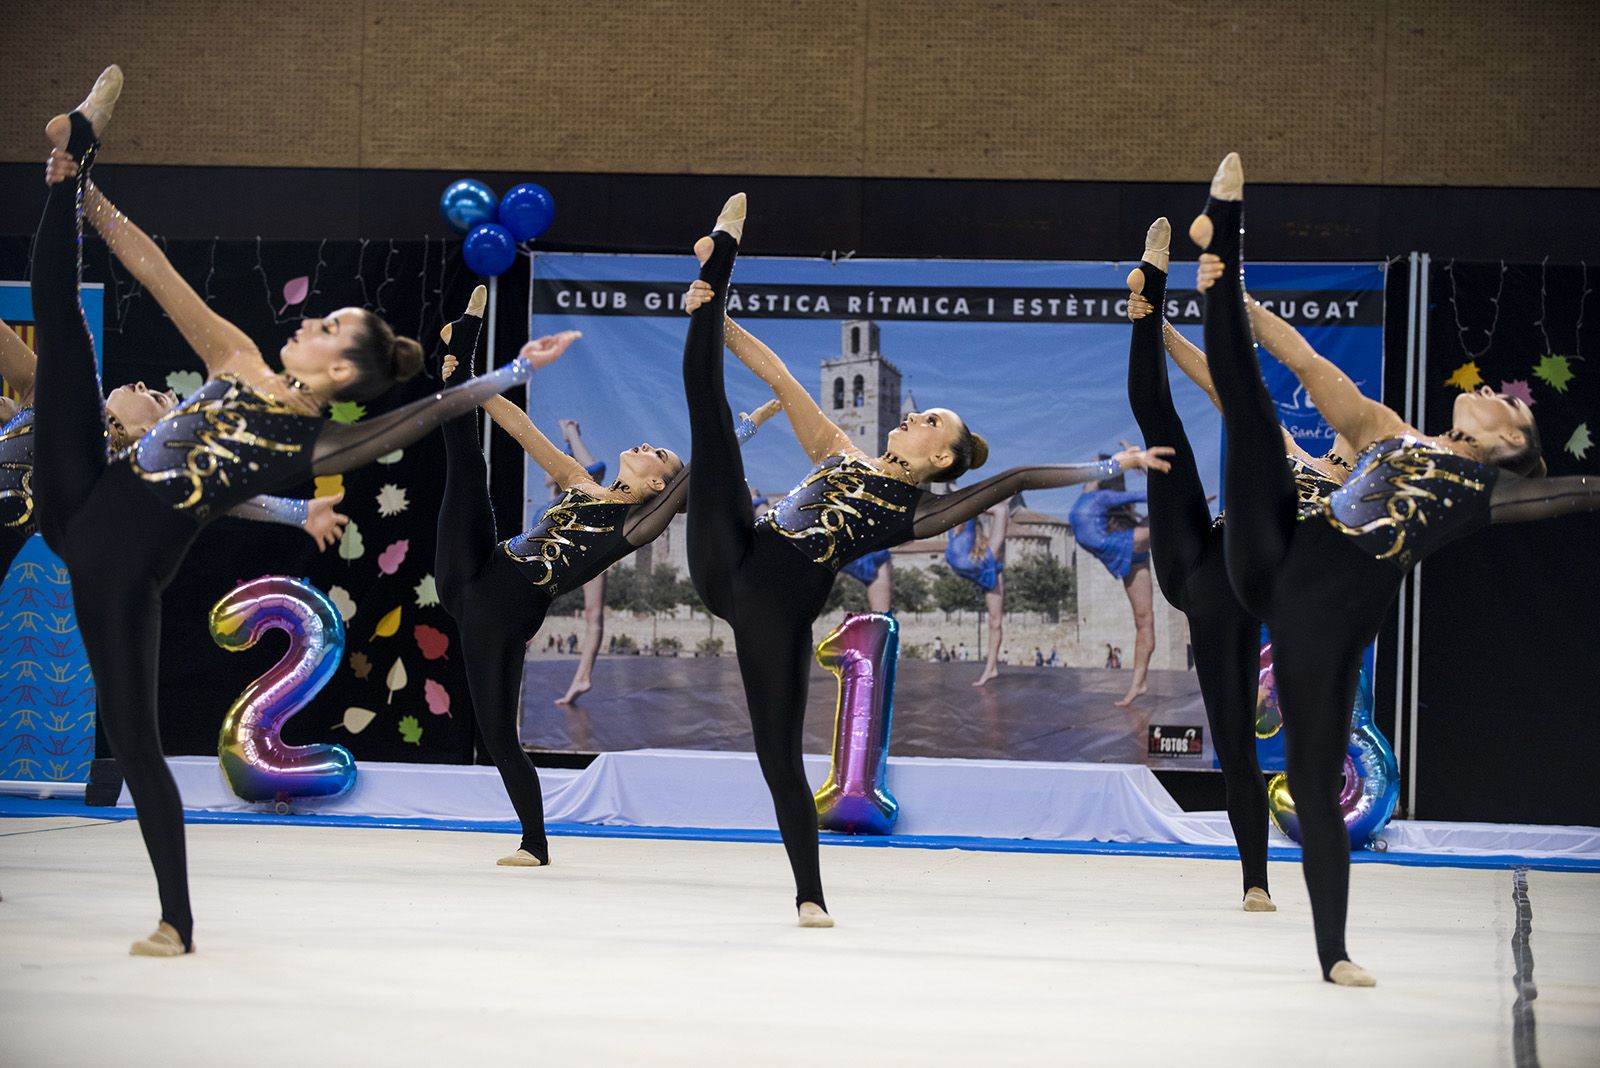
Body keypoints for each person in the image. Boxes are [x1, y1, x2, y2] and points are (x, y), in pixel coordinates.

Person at [32, 68, 539, 957]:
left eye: (325, 327)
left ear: (340, 373)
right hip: (81, 497)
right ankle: (77, 152)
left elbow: (416, 417)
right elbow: (153, 270)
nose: (304, 325)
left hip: (118, 570)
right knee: (61, 329)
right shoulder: (234, 360)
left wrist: (501, 377)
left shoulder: (305, 446)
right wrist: (86, 198)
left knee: (138, 742)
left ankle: (175, 920)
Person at [679, 194, 1173, 926]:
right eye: (918, 413)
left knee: (777, 755)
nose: (912, 418)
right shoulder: (839, 452)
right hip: (731, 551)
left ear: (938, 456)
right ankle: (718, 267)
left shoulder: (920, 510)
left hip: (772, 609)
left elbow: (1016, 480)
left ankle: (809, 893)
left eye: (928, 422)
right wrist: (720, 324)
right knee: (712, 417)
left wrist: (1112, 463)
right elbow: (782, 378)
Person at [1190, 152, 1598, 986]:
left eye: (1507, 404)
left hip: (1328, 614)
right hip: (1277, 549)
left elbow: (1571, 495)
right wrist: (1243, 305)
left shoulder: (1478, 488)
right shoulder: (1388, 431)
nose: (1491, 391)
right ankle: (1224, 241)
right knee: (1258, 420)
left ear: (1504, 444)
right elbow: (1307, 362)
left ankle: (1333, 953)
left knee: (1310, 773)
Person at [436, 324, 774, 866]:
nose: (644, 445)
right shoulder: (578, 480)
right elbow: (521, 428)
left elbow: (703, 468)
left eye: (656, 454)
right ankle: (458, 366)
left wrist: (749, 424)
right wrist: (481, 389)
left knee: (498, 737)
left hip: (501, 613)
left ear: (659, 486)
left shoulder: (633, 527)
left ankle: (535, 844)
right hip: (477, 569)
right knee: (466, 471)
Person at [1123, 216, 1351, 913]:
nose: (1345, 430)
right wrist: (1164, 336)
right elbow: (1221, 387)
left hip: (1227, 602)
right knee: (1159, 428)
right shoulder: (1288, 447)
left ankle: (1255, 880)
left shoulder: (1346, 497)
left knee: (1236, 752)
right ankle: (1149, 292)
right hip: (1196, 547)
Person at [0, 317, 349, 575]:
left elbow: (220, 496)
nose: (139, 383)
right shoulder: (54, 395)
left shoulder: (124, 478)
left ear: (151, 432)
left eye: (153, 397)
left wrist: (298, 512)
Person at [1070, 458, 1155, 706]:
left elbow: (1145, 495)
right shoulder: (1089, 493)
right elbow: (1098, 471)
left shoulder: (1103, 497)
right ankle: (1139, 683)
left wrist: (1137, 462)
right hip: (1124, 549)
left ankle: (1138, 683)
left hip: (1125, 544)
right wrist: (1130, 458)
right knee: (1143, 621)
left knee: (1146, 620)